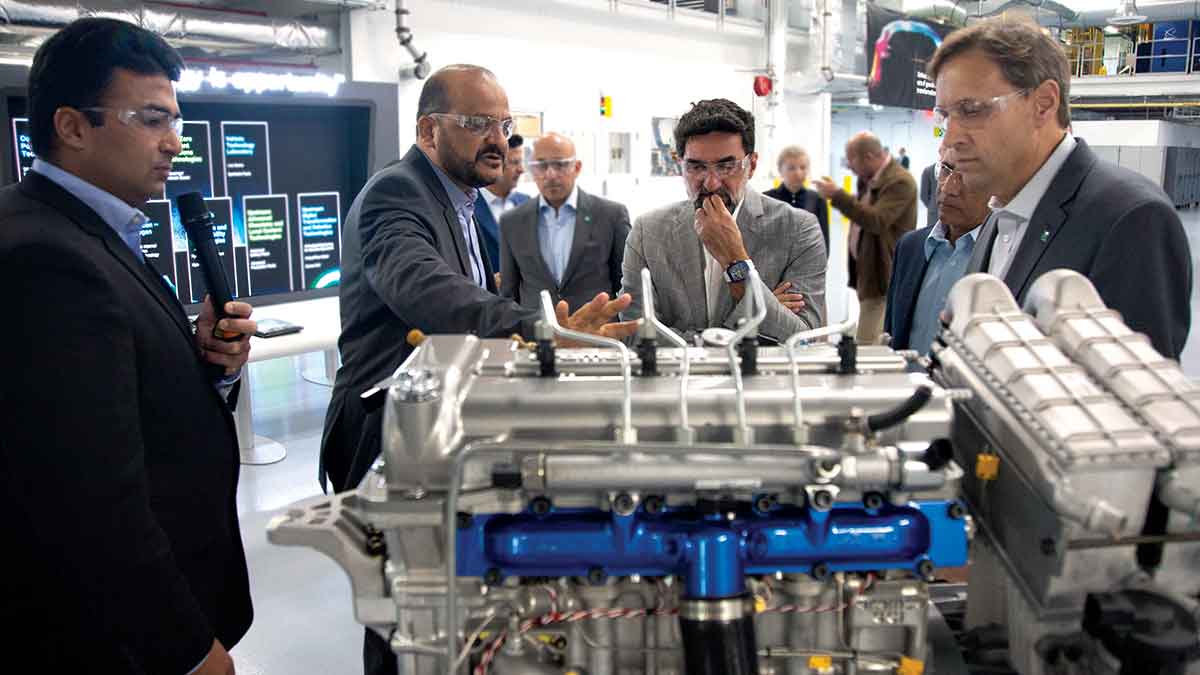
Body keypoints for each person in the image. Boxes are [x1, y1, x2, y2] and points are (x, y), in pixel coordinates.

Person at [322, 66, 637, 673]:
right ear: (427, 130)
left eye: (503, 124)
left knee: (443, 598)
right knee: (403, 612)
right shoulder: (398, 194)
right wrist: (541, 334)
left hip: (437, 422)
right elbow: (427, 291)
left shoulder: (464, 201)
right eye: (476, 124)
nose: (499, 140)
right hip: (385, 427)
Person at [1, 18, 255, 674]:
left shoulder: (89, 230)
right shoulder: (44, 257)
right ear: (72, 125)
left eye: (175, 119)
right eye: (149, 118)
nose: (173, 143)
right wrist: (186, 646)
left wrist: (208, 364)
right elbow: (89, 498)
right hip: (119, 640)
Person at [930, 16, 1190, 358]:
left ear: (1043, 103)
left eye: (971, 110)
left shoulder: (1131, 220)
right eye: (944, 116)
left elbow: (1136, 402)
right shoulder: (1000, 217)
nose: (950, 139)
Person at [619, 98, 826, 341]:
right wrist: (756, 313)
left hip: (763, 379)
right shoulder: (648, 232)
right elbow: (636, 333)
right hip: (678, 379)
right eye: (696, 167)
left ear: (752, 165)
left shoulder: (798, 229)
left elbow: (804, 339)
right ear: (679, 165)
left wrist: (735, 259)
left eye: (726, 166)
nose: (711, 182)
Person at [814, 132, 917, 345]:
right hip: (869, 273)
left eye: (851, 160)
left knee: (866, 346)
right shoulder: (870, 180)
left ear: (869, 157)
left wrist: (837, 196)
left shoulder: (900, 182)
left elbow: (876, 221)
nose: (849, 167)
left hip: (883, 276)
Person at [886, 154, 989, 354]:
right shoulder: (910, 247)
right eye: (945, 170)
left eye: (966, 176)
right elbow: (892, 336)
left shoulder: (999, 254)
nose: (947, 188)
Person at [474, 132, 529, 270]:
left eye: (521, 162)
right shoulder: (467, 208)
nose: (521, 170)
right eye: (515, 163)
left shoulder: (527, 203)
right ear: (494, 163)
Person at [763, 144, 829, 251]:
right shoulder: (766, 199)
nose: (798, 173)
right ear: (780, 170)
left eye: (803, 167)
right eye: (791, 168)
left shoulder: (818, 200)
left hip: (808, 263)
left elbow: (823, 242)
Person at [919, 160, 939, 227]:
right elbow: (923, 195)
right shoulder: (928, 170)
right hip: (934, 214)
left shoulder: (958, 169)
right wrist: (932, 205)